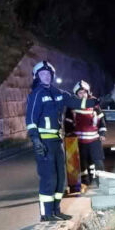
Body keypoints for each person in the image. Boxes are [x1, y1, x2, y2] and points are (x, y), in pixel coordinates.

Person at [26, 61, 98, 221]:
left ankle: (56, 210)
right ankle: (46, 214)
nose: (46, 76)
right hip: (44, 142)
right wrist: (35, 140)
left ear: (52, 76)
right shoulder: (36, 94)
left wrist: (98, 101)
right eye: (42, 74)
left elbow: (76, 102)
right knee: (48, 178)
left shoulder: (57, 92)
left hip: (56, 141)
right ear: (37, 77)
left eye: (48, 74)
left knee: (60, 178)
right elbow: (30, 119)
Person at [64, 81, 107, 186]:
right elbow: (68, 123)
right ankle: (85, 181)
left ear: (88, 93)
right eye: (80, 93)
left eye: (84, 92)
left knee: (98, 161)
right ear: (76, 94)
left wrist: (102, 133)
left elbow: (101, 121)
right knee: (82, 162)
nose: (83, 94)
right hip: (79, 141)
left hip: (94, 139)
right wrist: (69, 136)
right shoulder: (72, 107)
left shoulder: (94, 105)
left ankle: (100, 180)